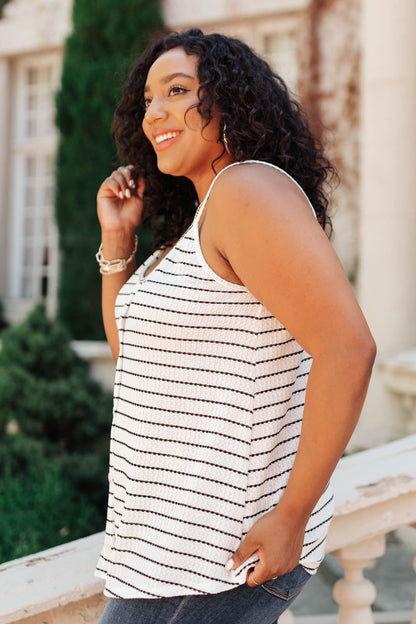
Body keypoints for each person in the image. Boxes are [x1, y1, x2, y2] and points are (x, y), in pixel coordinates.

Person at [95, 28, 376, 624]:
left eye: (177, 90)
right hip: (161, 555)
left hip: (214, 556)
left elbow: (348, 351)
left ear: (229, 98)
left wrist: (293, 515)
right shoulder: (198, 224)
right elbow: (136, 360)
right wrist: (118, 242)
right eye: (148, 99)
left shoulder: (245, 191)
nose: (156, 112)